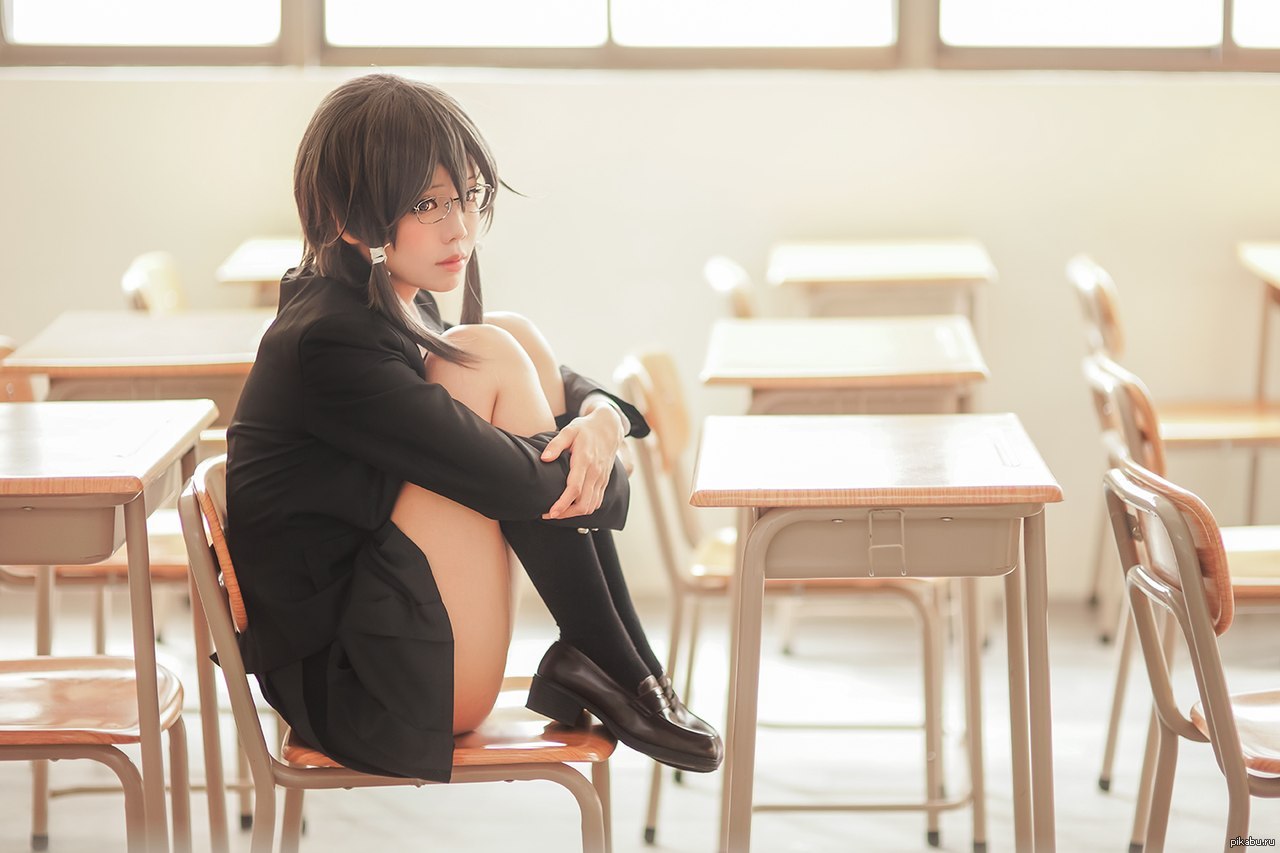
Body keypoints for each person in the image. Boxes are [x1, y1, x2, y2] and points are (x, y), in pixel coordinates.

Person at [224, 72, 721, 783]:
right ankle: (612, 661)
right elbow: (520, 485)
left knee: (505, 335)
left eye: (467, 197)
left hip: (394, 632)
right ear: (348, 217)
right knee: (487, 350)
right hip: (371, 688)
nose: (459, 227)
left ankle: (614, 660)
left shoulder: (391, 303)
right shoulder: (330, 343)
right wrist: (607, 476)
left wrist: (606, 419)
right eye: (426, 204)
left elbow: (561, 391)